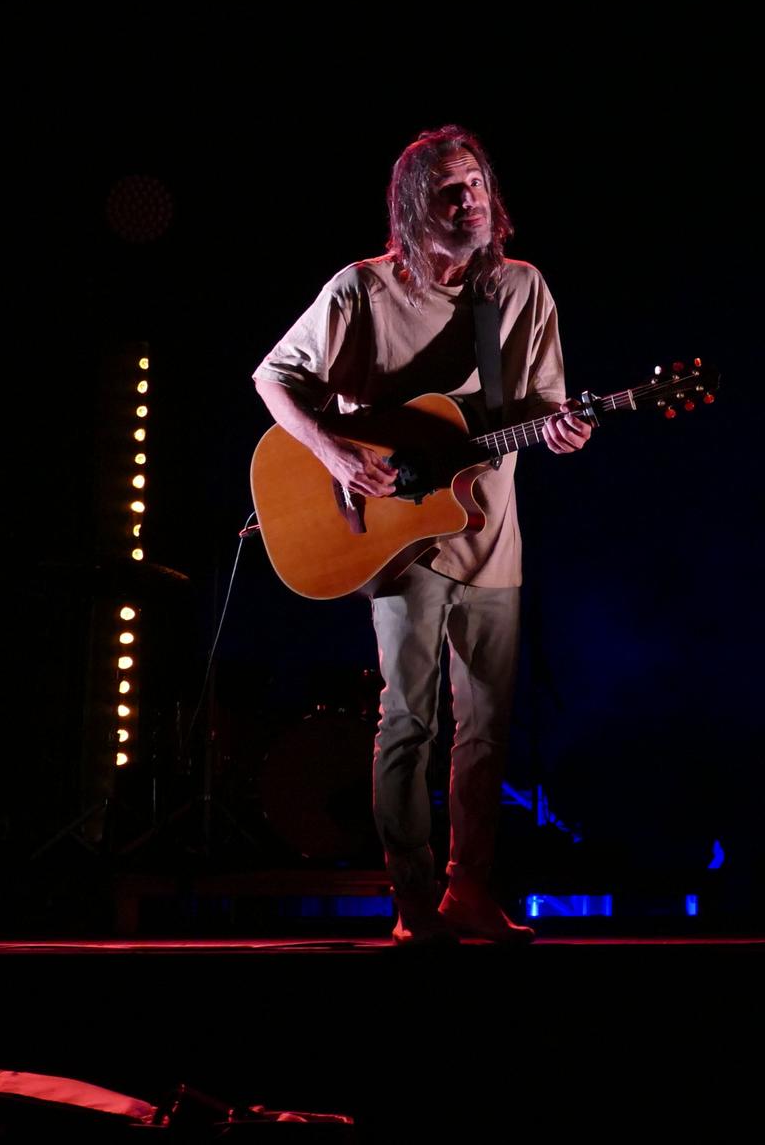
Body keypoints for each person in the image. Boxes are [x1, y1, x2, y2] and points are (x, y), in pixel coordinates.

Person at [253, 125, 592, 945]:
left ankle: (467, 888)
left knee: (486, 728)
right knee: (408, 718)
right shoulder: (361, 291)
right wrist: (332, 451)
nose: (469, 198)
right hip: (396, 541)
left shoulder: (519, 289)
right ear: (413, 204)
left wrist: (565, 430)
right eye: (449, 188)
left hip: (491, 533)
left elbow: (543, 409)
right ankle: (410, 900)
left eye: (476, 183)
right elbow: (273, 375)